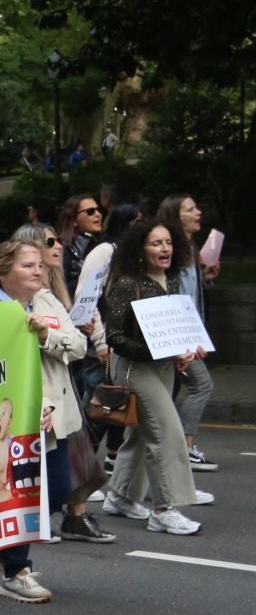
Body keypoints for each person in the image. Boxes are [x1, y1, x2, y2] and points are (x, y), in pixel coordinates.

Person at [0, 239, 88, 600]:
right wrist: (27, 407)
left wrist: (45, 334)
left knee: (60, 490)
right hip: (16, 424)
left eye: (39, 265)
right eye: (28, 266)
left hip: (55, 418)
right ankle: (15, 571)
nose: (38, 271)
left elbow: (78, 346)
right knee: (23, 497)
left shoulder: (48, 301)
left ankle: (3, 548)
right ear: (3, 271)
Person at [100, 219, 209, 534]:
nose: (165, 249)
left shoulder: (170, 279)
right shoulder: (126, 284)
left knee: (140, 433)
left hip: (162, 368)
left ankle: (120, 495)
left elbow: (172, 329)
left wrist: (187, 349)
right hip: (134, 369)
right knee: (167, 433)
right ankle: (164, 509)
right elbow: (115, 337)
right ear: (140, 248)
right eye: (156, 243)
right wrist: (163, 351)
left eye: (168, 243)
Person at [156, 194, 216, 475]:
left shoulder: (189, 249)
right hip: (179, 335)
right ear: (175, 216)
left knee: (168, 393)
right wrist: (188, 340)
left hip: (188, 333)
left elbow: (191, 294)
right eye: (191, 209)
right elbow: (174, 297)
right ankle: (184, 447)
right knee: (201, 385)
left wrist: (206, 278)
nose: (198, 212)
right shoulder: (174, 252)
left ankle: (167, 450)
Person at [58, 194, 103, 295]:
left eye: (98, 210)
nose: (98, 214)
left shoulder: (99, 244)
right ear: (74, 220)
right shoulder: (61, 249)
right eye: (90, 211)